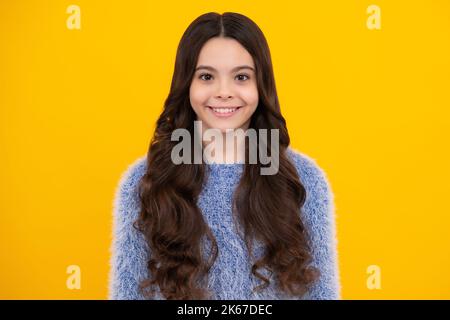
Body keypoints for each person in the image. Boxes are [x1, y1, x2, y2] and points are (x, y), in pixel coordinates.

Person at [108, 12, 341, 300]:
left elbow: (321, 293)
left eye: (241, 77)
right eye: (206, 76)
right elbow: (128, 292)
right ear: (187, 85)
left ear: (261, 86)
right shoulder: (146, 180)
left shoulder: (303, 178)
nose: (224, 92)